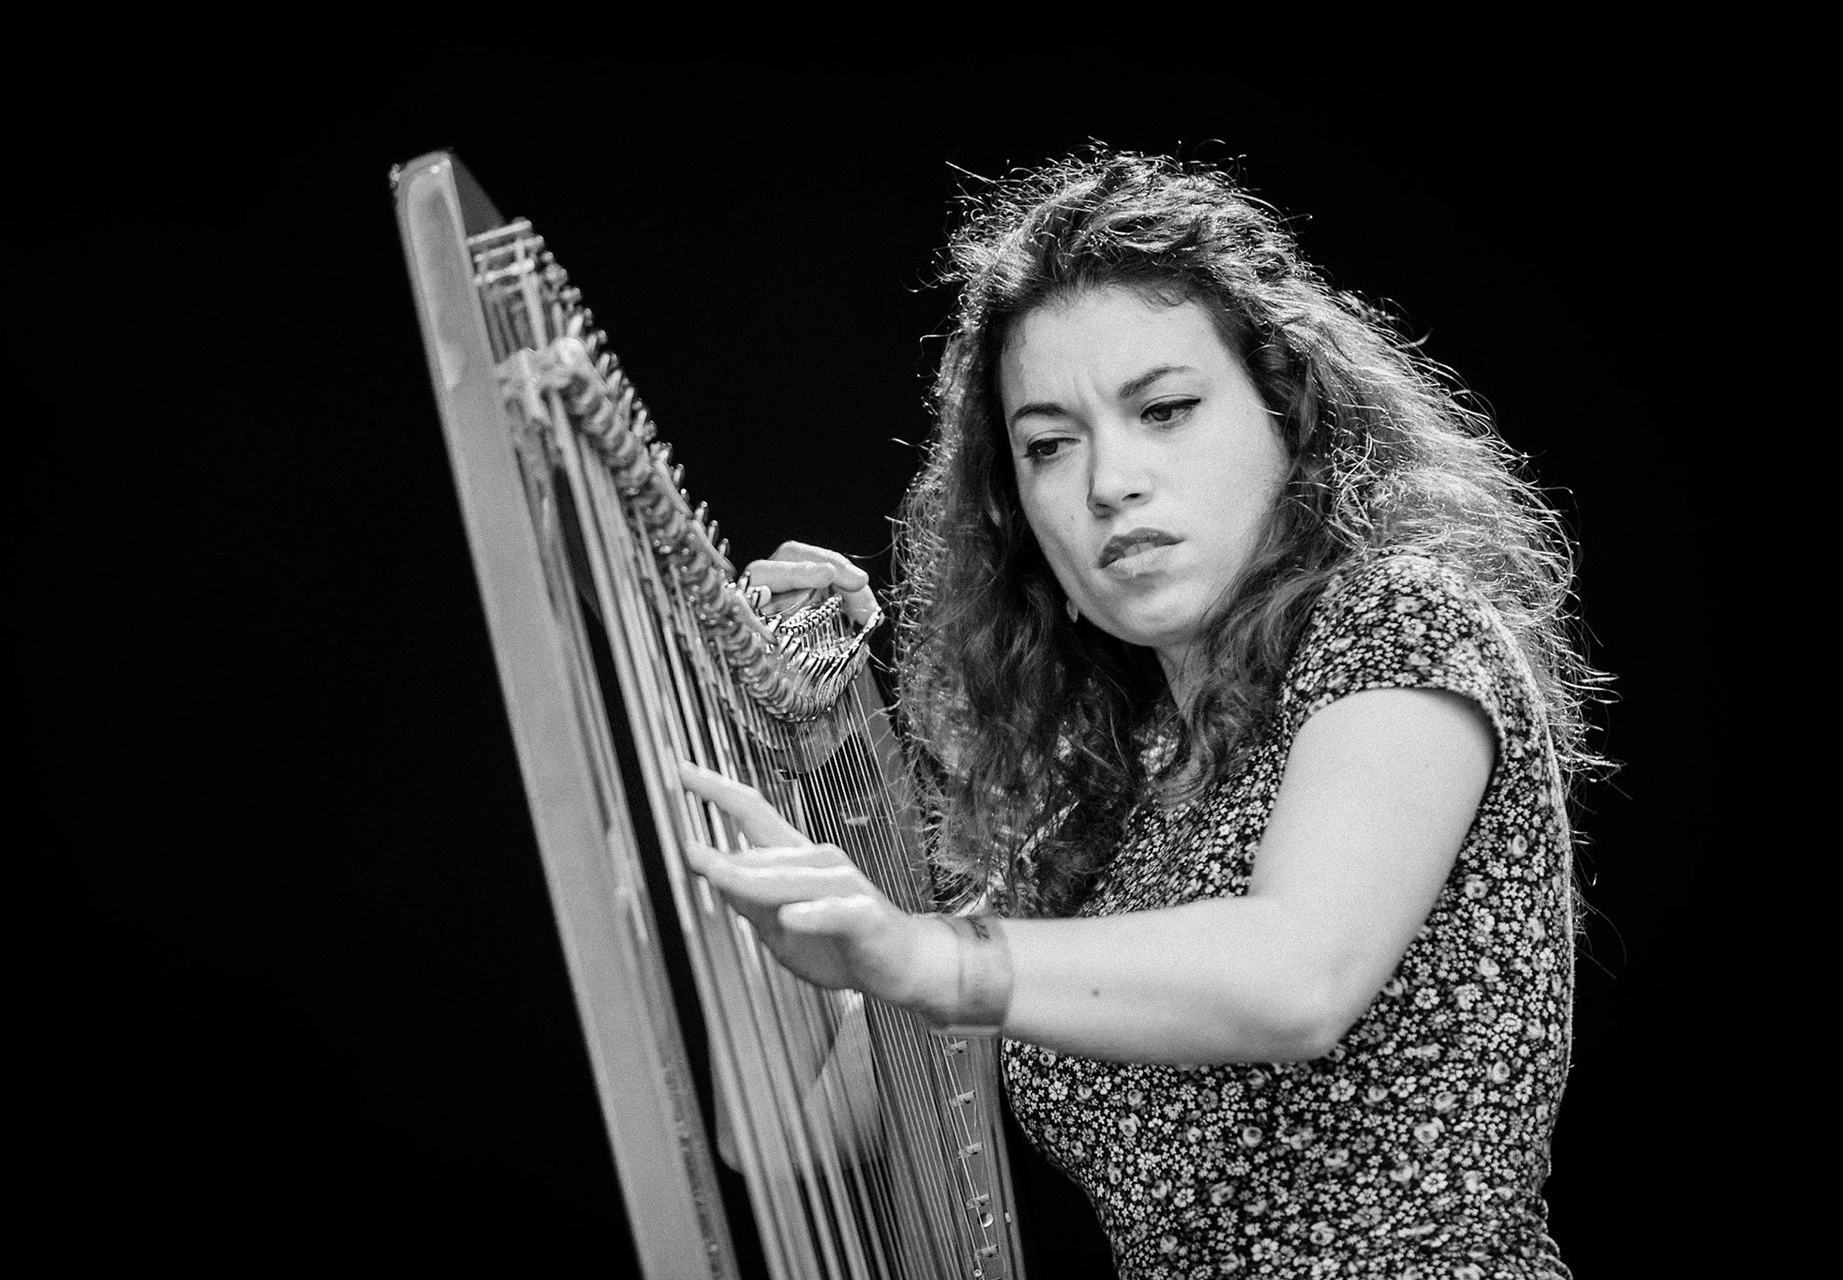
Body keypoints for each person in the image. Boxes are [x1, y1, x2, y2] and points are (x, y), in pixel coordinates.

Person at [679, 151, 1604, 1280]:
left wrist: (931, 955)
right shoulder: (1103, 806)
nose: (1109, 479)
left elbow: (1292, 977)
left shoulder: (1401, 622)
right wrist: (787, 770)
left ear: (1291, 420)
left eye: (1164, 409)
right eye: (1049, 445)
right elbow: (784, 1132)